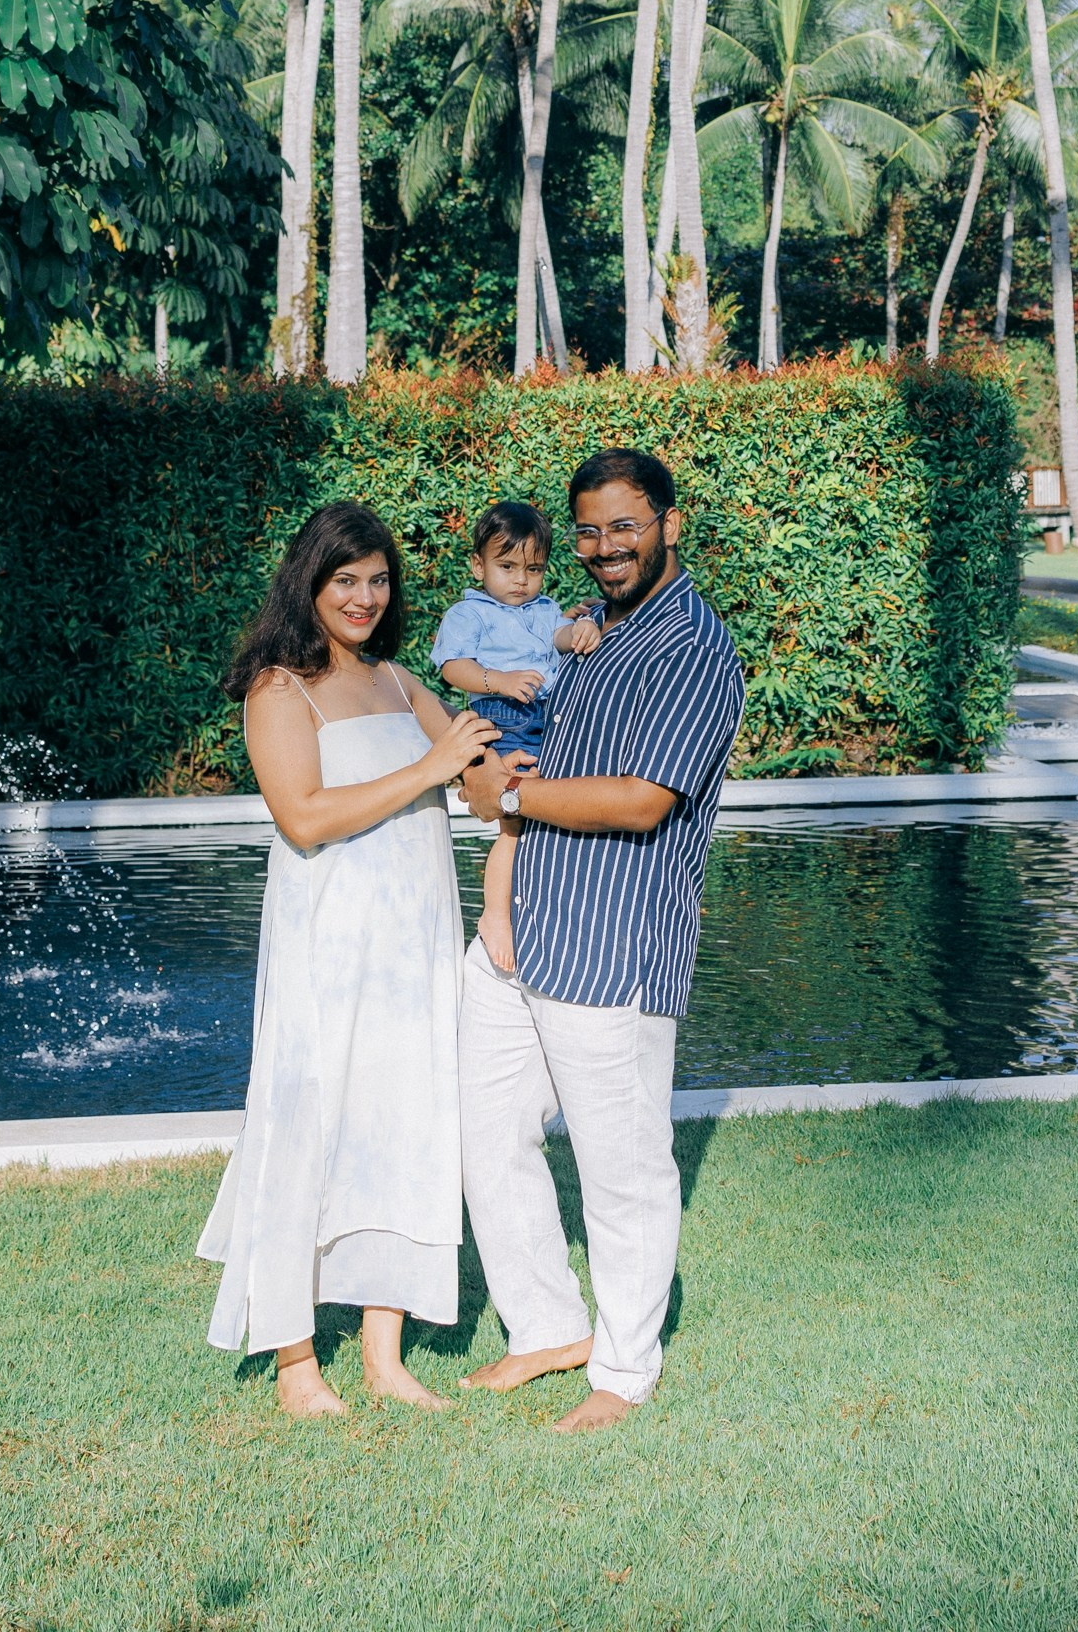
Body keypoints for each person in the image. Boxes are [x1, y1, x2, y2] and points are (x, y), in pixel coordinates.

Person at [456, 446, 744, 1433]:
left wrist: (516, 793)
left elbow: (639, 801)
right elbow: (574, 761)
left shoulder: (691, 651)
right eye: (586, 529)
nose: (603, 546)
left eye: (623, 525)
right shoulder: (595, 635)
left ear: (670, 522)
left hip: (608, 946)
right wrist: (508, 776)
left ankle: (623, 1372)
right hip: (521, 932)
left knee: (621, 1174)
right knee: (483, 1132)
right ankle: (544, 1327)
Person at [198, 501, 495, 1416]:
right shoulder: (279, 690)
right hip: (328, 947)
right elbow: (307, 816)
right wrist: (434, 767)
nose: (366, 597)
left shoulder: (404, 683)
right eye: (346, 581)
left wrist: (507, 754)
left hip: (415, 949)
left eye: (379, 580)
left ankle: (383, 1354)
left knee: (407, 1129)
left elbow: (480, 787)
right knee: (307, 1126)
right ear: (310, 584)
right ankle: (295, 1365)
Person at [433, 498, 601, 975]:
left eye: (533, 568)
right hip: (503, 720)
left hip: (551, 720)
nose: (520, 580)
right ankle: (495, 915)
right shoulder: (470, 614)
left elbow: (562, 638)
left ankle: (548, 907)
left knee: (557, 810)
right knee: (515, 823)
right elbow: (452, 668)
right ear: (478, 565)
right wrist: (497, 680)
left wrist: (584, 629)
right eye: (506, 566)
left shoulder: (546, 609)